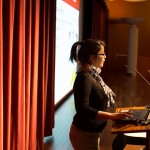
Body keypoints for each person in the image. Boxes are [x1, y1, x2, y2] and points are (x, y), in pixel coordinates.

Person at [69, 39, 133, 150]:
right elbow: (82, 109)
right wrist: (111, 116)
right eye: (102, 54)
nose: (105, 57)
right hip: (84, 134)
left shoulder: (93, 74)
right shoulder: (84, 77)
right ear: (92, 57)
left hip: (92, 132)